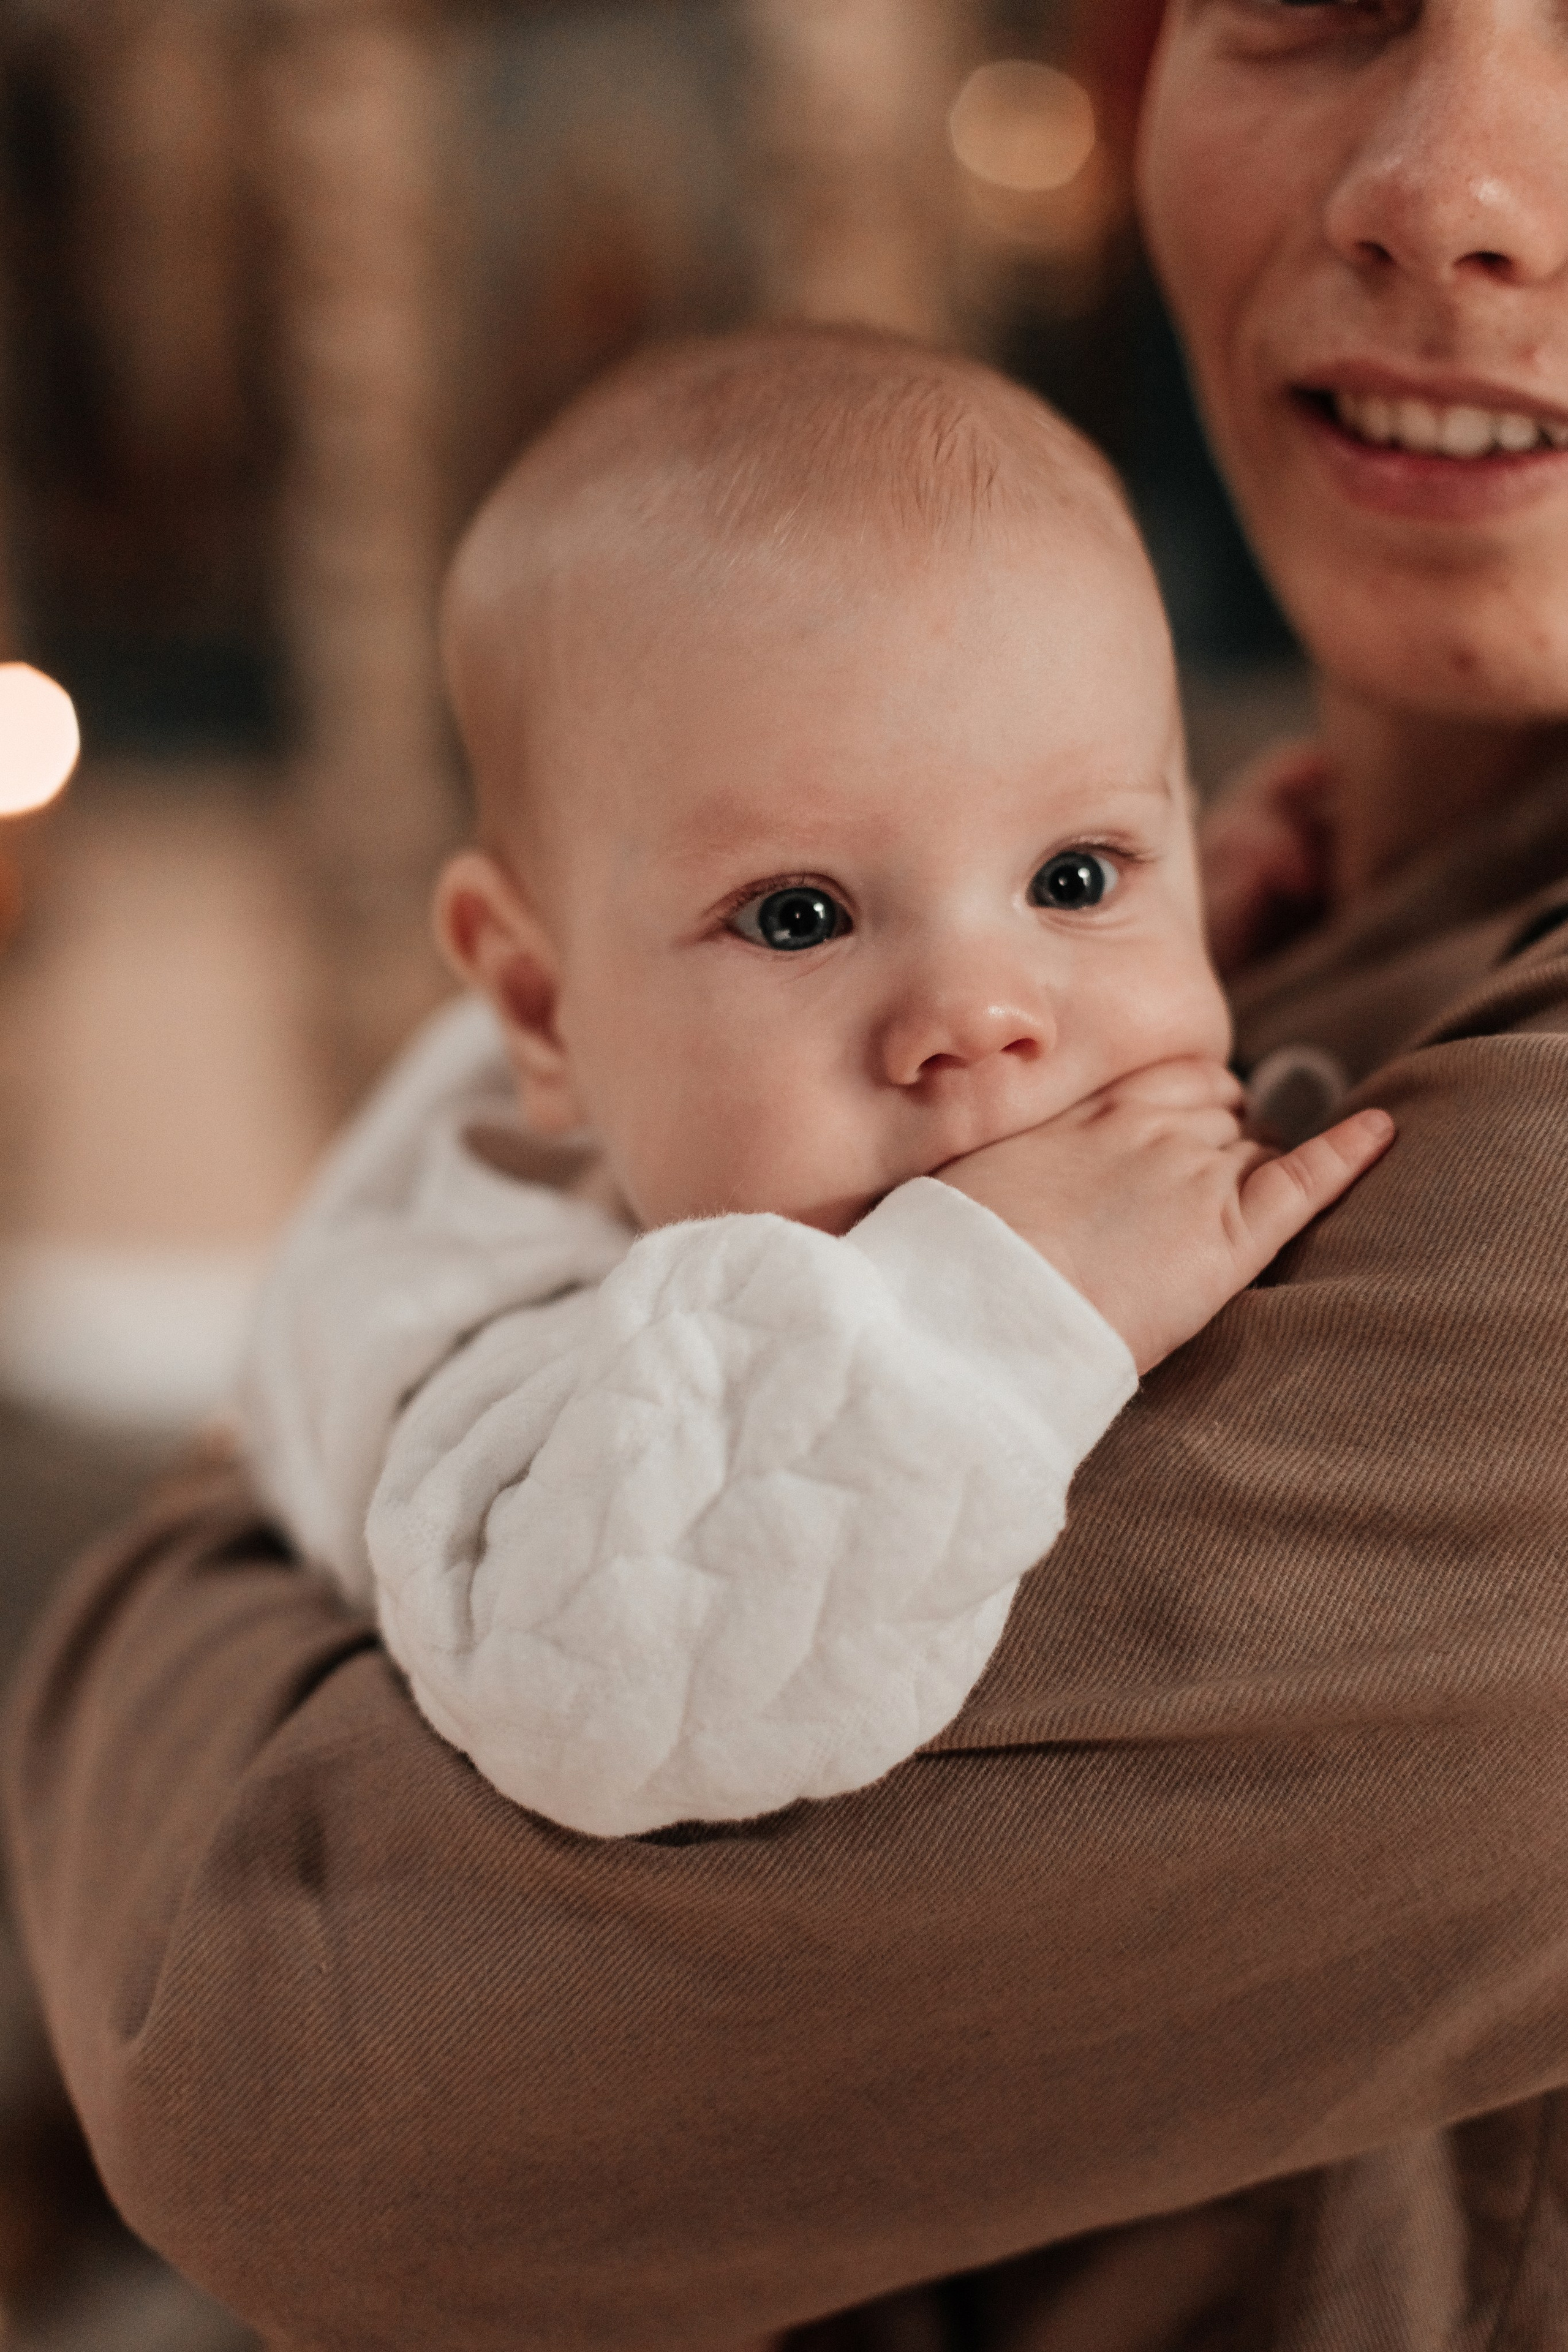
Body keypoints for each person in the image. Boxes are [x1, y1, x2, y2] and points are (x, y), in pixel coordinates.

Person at [10, 1, 1568, 2343]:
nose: (1445, 190)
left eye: (1075, 880)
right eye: (807, 915)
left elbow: (302, 2059)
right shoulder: (1245, 915)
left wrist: (185, 1576)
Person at [241, 330, 1385, 1839]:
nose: (981, 1017)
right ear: (539, 1006)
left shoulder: (772, 1054)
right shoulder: (500, 1338)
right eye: (799, 916)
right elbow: (600, 1679)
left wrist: (1195, 923)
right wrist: (992, 1309)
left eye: (1074, 874)